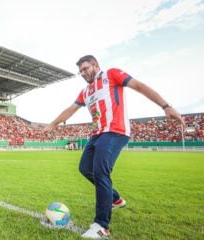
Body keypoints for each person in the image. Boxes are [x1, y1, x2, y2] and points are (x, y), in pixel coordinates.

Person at [43, 55, 185, 239]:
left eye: (86, 68)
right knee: (85, 168)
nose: (83, 73)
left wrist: (166, 106)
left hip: (115, 131)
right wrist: (53, 124)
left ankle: (102, 226)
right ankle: (115, 199)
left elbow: (140, 87)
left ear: (95, 65)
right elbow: (70, 109)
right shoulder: (85, 92)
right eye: (80, 71)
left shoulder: (111, 74)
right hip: (97, 134)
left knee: (101, 172)